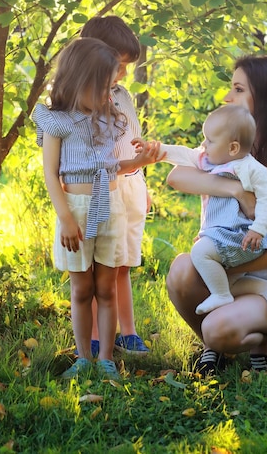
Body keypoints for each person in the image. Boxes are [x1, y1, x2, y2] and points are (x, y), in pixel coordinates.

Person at [165, 54, 267, 375]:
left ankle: (261, 342)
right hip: (225, 280)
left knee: (218, 330)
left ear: (265, 97)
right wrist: (235, 190)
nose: (227, 97)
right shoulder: (229, 149)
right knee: (182, 270)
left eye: (238, 89)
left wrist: (233, 263)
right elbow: (177, 177)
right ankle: (216, 345)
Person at [32, 38, 160, 380]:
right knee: (81, 289)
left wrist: (139, 160)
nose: (110, 93)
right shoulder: (56, 121)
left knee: (106, 287)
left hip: (111, 207)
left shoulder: (109, 116)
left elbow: (114, 165)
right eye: (104, 86)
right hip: (75, 209)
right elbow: (50, 174)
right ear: (80, 80)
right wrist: (66, 218)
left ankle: (106, 357)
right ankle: (83, 357)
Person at [139, 103, 267, 317]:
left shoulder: (252, 169)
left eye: (210, 140)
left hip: (241, 236)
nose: (203, 144)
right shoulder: (208, 160)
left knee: (200, 254)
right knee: (220, 281)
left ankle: (222, 297)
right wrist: (157, 151)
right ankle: (266, 289)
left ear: (233, 148)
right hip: (221, 235)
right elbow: (184, 155)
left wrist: (259, 229)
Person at [80, 15, 151, 356]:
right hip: (104, 191)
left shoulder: (122, 95)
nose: (123, 74)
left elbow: (130, 142)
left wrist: (143, 181)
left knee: (123, 263)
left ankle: (128, 331)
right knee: (99, 268)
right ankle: (93, 336)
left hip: (131, 187)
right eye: (120, 65)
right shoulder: (84, 101)